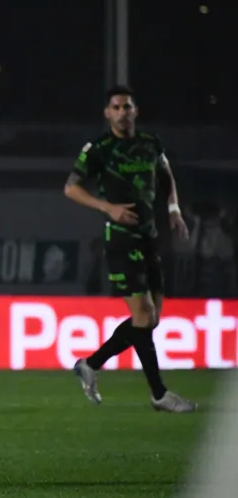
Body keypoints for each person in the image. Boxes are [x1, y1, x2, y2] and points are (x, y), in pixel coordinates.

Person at [65, 85, 196, 413]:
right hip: (121, 239)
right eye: (116, 107)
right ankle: (159, 394)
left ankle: (91, 364)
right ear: (108, 113)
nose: (122, 112)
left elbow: (166, 178)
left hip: (149, 236)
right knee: (143, 315)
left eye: (127, 107)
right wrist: (107, 207)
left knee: (150, 321)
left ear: (135, 111)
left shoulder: (151, 144)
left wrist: (174, 210)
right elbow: (71, 188)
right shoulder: (99, 148)